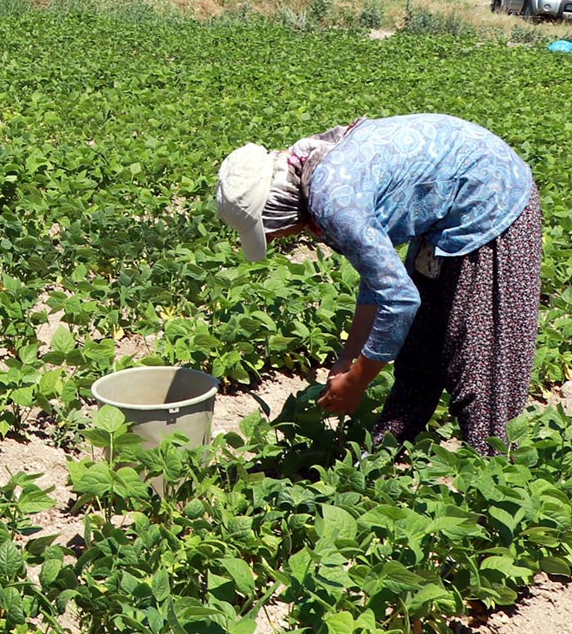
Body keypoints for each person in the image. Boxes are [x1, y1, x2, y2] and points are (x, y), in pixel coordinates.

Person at [215, 113, 541, 455]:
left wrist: (357, 382)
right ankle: (386, 454)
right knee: (420, 347)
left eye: (273, 231)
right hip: (447, 208)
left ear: (279, 209)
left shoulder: (333, 201)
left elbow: (400, 300)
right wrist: (350, 356)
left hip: (491, 198)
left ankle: (494, 471)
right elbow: (378, 277)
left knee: (479, 359)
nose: (279, 237)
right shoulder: (312, 173)